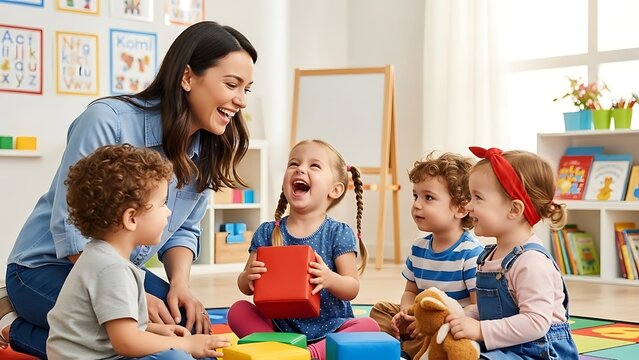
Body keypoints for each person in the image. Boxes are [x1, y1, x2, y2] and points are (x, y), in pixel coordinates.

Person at [0, 20, 257, 358]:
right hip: (44, 269)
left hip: (121, 271)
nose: (240, 101)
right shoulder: (108, 120)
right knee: (119, 339)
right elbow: (71, 229)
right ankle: (10, 323)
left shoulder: (207, 147)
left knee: (191, 328)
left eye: (246, 90)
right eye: (231, 84)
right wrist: (133, 303)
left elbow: (184, 232)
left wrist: (180, 285)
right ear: (187, 77)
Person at [46, 144, 230, 359]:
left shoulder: (102, 257)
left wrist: (158, 331)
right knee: (176, 356)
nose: (168, 212)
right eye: (162, 204)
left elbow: (118, 326)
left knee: (183, 349)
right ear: (131, 218)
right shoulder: (111, 269)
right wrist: (185, 344)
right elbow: (126, 341)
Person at [227, 139, 380, 360]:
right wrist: (248, 278)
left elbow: (352, 287)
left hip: (331, 330)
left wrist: (329, 278)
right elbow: (245, 287)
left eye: (314, 166)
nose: (300, 169)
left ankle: (308, 355)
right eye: (294, 164)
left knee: (368, 325)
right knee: (238, 311)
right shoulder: (268, 232)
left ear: (335, 190)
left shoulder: (337, 232)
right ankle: (282, 351)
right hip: (280, 332)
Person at [446, 147, 579, 359]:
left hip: (539, 352)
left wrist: (480, 330)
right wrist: (461, 318)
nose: (469, 205)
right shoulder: (489, 255)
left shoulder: (531, 262)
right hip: (505, 347)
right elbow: (491, 310)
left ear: (514, 210)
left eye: (477, 197)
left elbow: (536, 323)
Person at [370, 152, 484, 360]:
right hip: (419, 321)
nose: (417, 205)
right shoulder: (419, 248)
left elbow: (477, 308)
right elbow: (410, 292)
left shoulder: (470, 253)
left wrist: (430, 322)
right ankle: (399, 347)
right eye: (415, 196)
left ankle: (409, 350)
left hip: (449, 324)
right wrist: (407, 312)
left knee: (450, 339)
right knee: (380, 310)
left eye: (428, 197)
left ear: (460, 208)